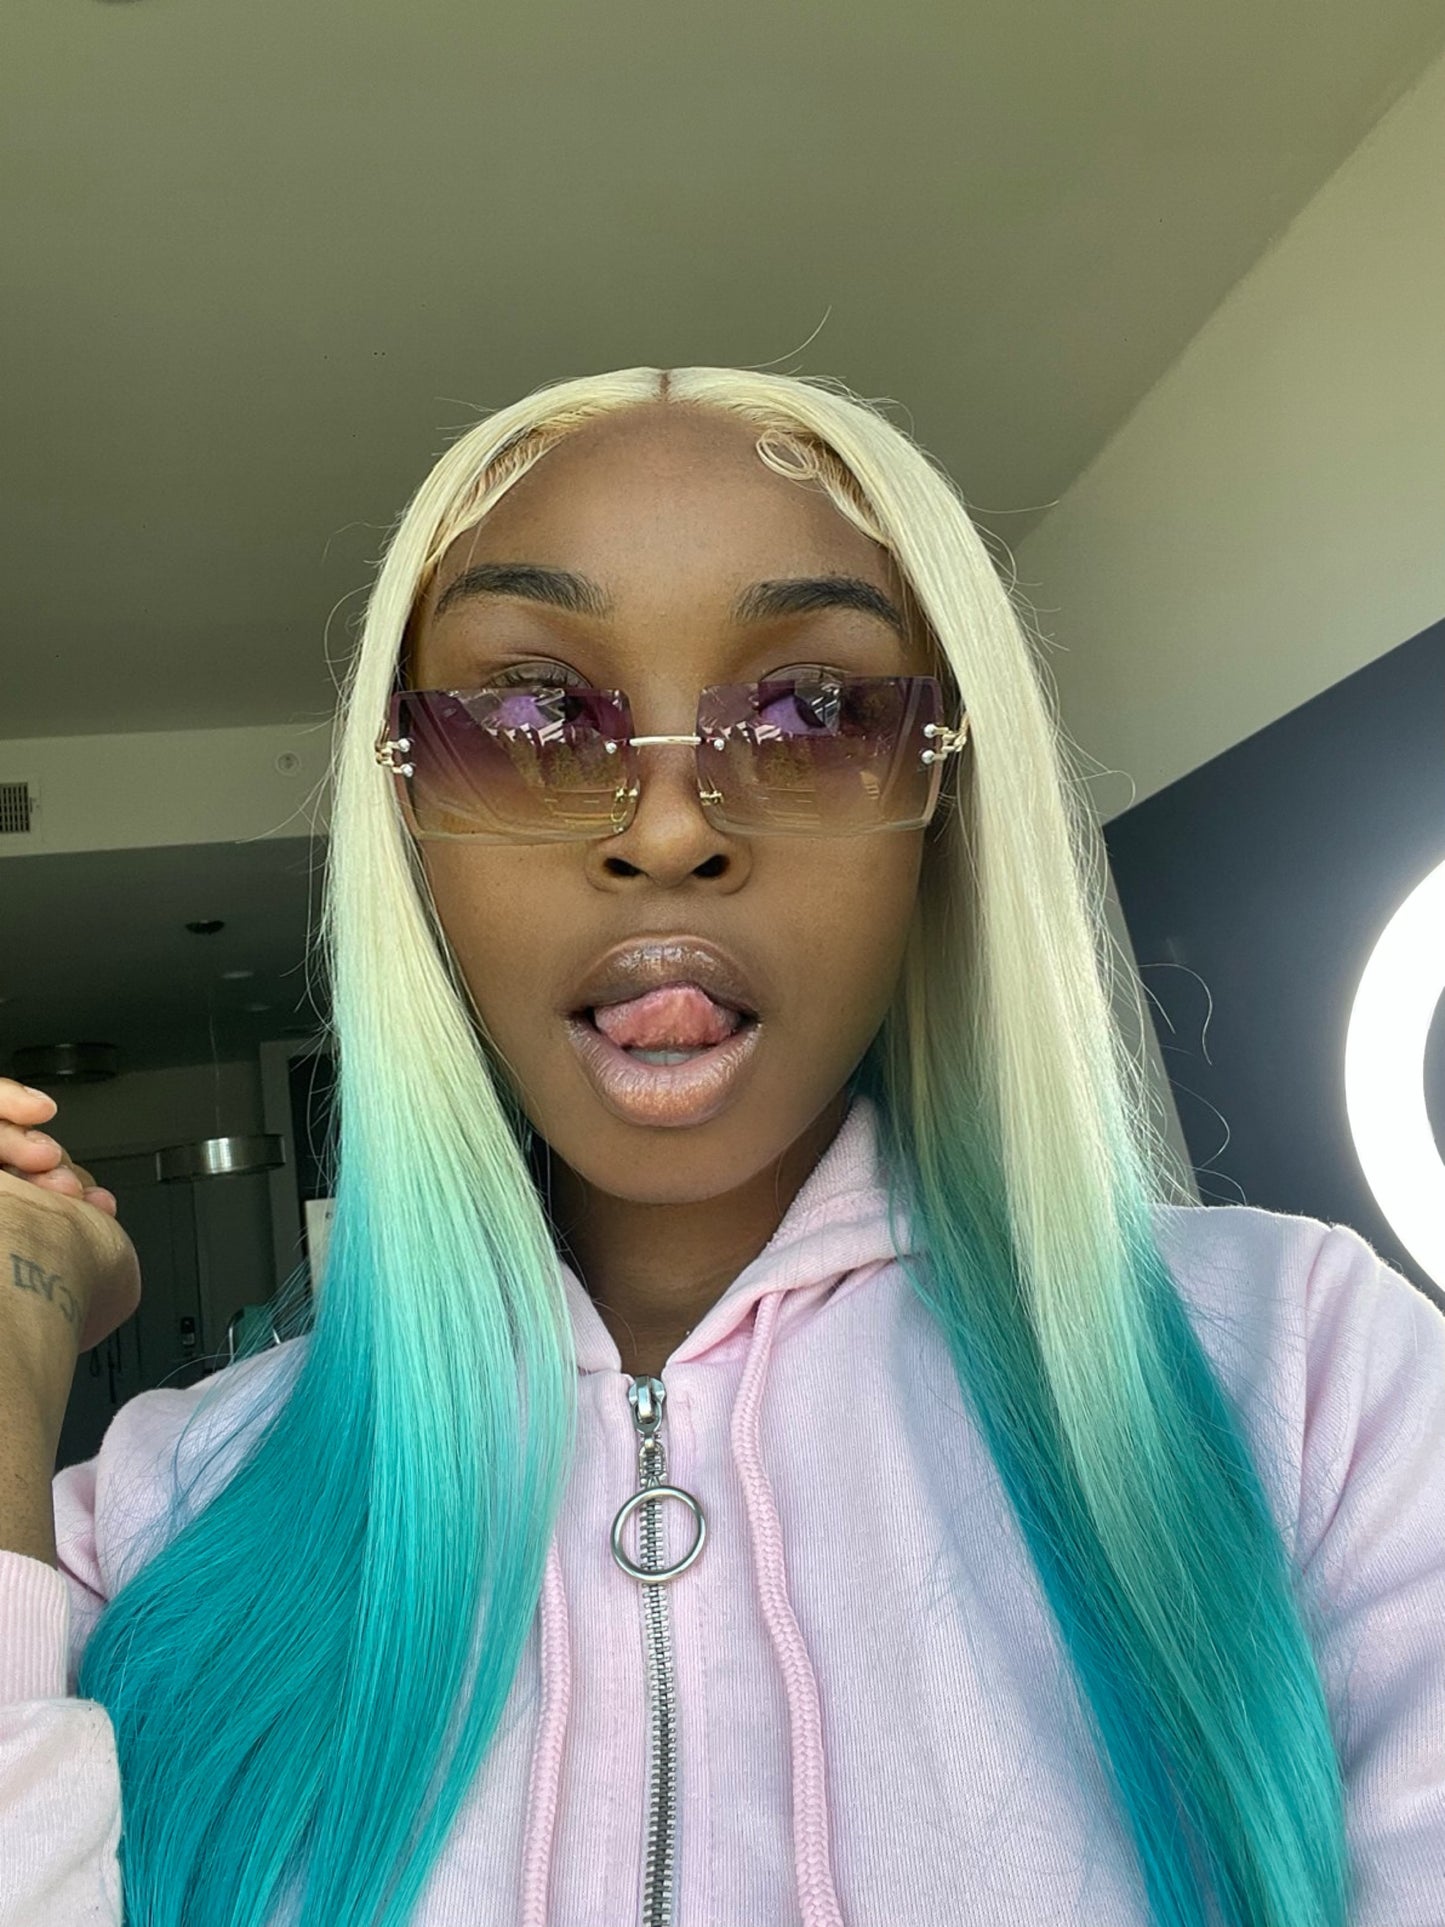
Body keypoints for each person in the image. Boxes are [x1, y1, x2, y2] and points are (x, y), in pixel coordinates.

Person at [1, 365, 1441, 1927]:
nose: (669, 829)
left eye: (814, 710)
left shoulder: (1306, 1377)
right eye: (529, 715)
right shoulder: (166, 1504)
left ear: (941, 802)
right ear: (409, 823)